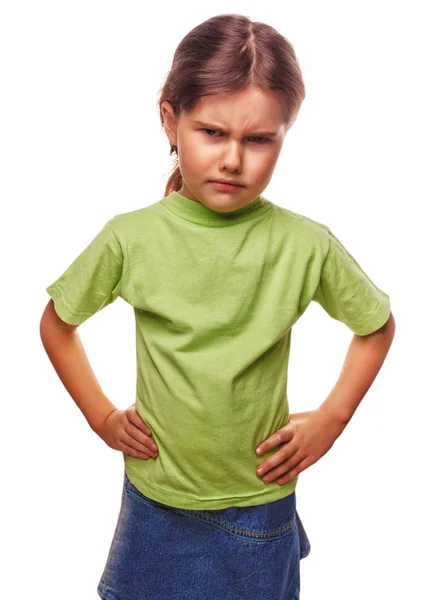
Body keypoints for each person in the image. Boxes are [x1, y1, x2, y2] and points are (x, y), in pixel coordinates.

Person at [40, 13, 396, 600]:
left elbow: (376, 326)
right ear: (170, 119)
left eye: (259, 139)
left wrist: (332, 418)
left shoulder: (305, 244)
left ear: (285, 134)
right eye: (212, 132)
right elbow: (59, 324)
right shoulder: (130, 238)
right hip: (155, 496)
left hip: (259, 498)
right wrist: (102, 417)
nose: (234, 159)